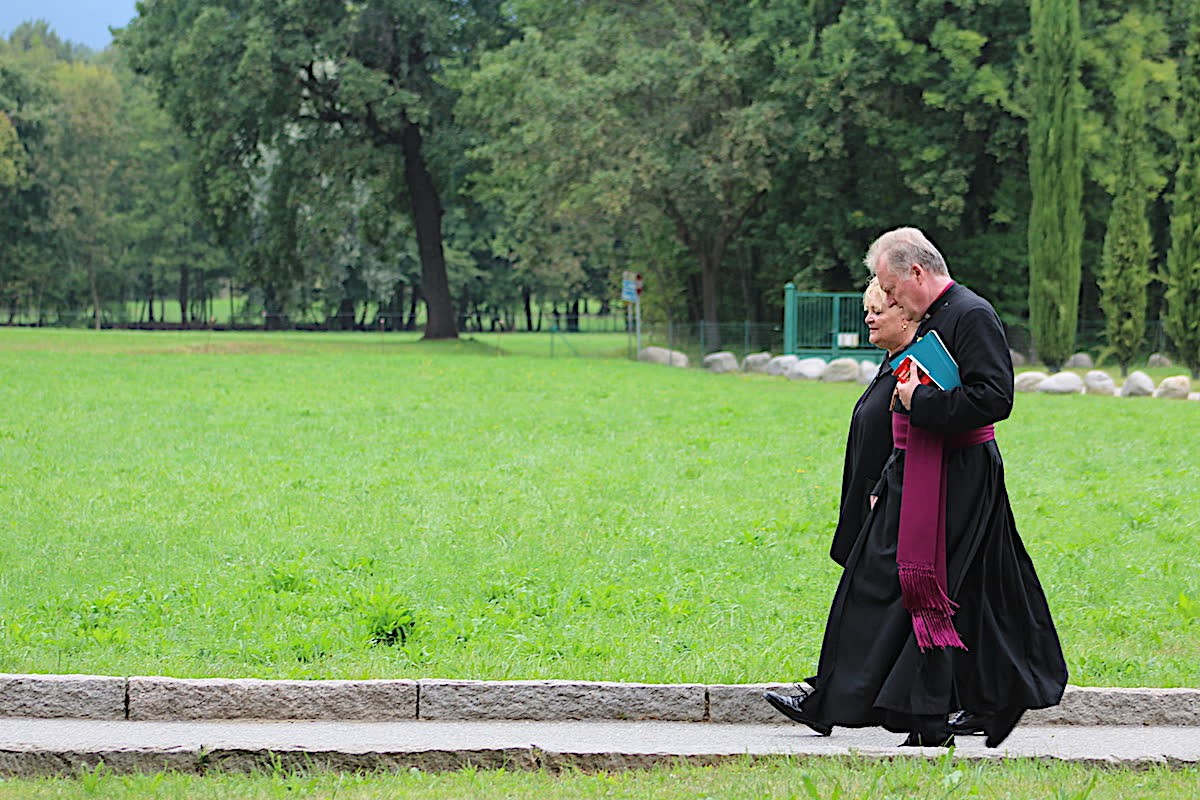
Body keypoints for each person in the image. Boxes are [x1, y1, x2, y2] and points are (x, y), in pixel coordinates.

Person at [769, 226, 1067, 748]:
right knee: (952, 592)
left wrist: (919, 403)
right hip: (919, 469)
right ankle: (958, 705)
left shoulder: (971, 314)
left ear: (916, 272)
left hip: (957, 477)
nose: (887, 298)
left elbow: (995, 398)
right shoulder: (934, 316)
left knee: (917, 588)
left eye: (889, 285)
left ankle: (905, 709)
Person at [762, 277, 915, 729]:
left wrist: (883, 490)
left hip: (891, 505)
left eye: (878, 310)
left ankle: (827, 699)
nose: (869, 318)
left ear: (906, 315)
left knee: (861, 605)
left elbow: (909, 441)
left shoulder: (911, 369)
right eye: (867, 310)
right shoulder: (889, 365)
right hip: (875, 504)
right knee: (878, 609)